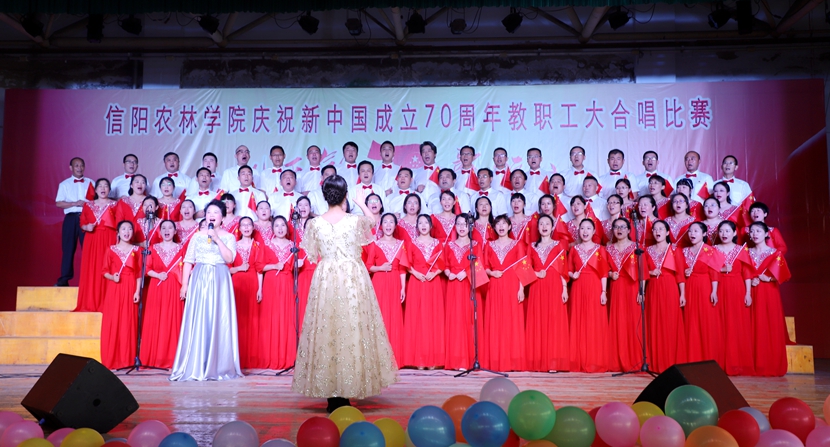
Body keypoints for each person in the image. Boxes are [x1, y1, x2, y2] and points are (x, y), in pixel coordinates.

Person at [291, 175, 398, 412]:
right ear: (345, 195)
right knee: (350, 329)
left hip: (326, 278)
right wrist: (360, 202)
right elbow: (373, 222)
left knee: (327, 330)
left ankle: (332, 394)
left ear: (324, 196)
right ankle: (347, 390)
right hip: (351, 277)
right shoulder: (354, 221)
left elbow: (312, 254)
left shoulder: (315, 224)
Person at [171, 200, 243, 381]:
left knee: (220, 319)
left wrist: (217, 239)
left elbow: (229, 259)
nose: (211, 215)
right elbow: (188, 260)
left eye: (215, 212)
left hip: (220, 279)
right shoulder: (196, 236)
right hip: (200, 278)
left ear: (222, 217)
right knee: (200, 318)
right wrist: (185, 284)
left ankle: (219, 365)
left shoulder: (229, 237)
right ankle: (197, 363)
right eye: (209, 211)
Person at [483, 215, 527, 371]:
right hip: (495, 285)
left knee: (511, 321)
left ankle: (513, 361)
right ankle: (496, 359)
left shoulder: (518, 244)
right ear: (494, 228)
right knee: (495, 320)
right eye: (498, 224)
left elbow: (523, 267)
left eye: (504, 224)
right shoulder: (489, 245)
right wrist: (492, 273)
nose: (501, 226)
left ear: (509, 227)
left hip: (512, 285)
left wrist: (521, 289)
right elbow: (484, 266)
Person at [525, 215, 569, 372]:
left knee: (553, 321)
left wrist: (564, 288)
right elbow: (525, 268)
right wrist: (536, 274)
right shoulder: (531, 246)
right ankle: (538, 360)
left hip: (554, 285)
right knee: (538, 320)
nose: (544, 226)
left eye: (547, 224)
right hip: (537, 286)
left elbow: (563, 269)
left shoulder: (559, 246)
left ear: (552, 227)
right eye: (541, 224)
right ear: (537, 228)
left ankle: (553, 361)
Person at [747, 222, 790, 376]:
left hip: (769, 292)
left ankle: (771, 363)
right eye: (752, 231)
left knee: (769, 323)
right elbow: (742, 271)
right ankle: (753, 363)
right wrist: (750, 279)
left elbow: (783, 275)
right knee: (751, 325)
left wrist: (769, 278)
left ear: (766, 234)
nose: (754, 234)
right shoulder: (746, 252)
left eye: (758, 231)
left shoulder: (775, 253)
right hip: (751, 291)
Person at [403, 214, 446, 369]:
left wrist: (434, 273)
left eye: (426, 222)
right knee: (418, 319)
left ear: (430, 226)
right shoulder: (411, 243)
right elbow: (406, 264)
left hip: (433, 283)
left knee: (432, 319)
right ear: (417, 226)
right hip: (417, 282)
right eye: (420, 223)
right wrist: (416, 273)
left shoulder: (438, 243)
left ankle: (433, 359)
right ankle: (419, 360)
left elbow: (443, 264)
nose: (423, 225)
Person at [442, 214, 484, 371]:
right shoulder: (449, 245)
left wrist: (466, 273)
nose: (461, 227)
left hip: (468, 285)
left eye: (464, 224)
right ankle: (456, 360)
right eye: (458, 224)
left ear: (470, 227)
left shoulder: (476, 245)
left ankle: (469, 359)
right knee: (455, 321)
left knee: (469, 320)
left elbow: (480, 266)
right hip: (453, 286)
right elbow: (444, 264)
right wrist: (448, 273)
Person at [680, 222, 725, 369]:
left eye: (696, 231)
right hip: (689, 287)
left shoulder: (710, 251)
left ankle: (708, 359)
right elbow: (679, 272)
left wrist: (714, 291)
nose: (692, 234)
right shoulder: (683, 251)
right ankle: (692, 358)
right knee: (690, 321)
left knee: (706, 322)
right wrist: (684, 272)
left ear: (704, 234)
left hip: (705, 287)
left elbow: (714, 273)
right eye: (690, 231)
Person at [568, 218, 610, 373]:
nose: (585, 231)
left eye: (588, 228)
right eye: (582, 228)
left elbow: (604, 273)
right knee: (578, 320)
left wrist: (603, 292)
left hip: (595, 286)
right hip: (578, 287)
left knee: (594, 321)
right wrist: (572, 275)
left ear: (594, 232)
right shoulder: (574, 249)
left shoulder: (600, 249)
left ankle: (594, 360)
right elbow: (568, 270)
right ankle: (577, 360)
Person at [644, 220, 687, 372]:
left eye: (661, 229)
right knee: (653, 322)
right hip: (653, 288)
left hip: (670, 287)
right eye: (655, 229)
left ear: (668, 232)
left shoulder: (674, 250)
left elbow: (680, 274)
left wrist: (682, 294)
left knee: (670, 323)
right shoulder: (646, 250)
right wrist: (650, 272)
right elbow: (642, 271)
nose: (658, 231)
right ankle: (655, 362)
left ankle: (670, 362)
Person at [141, 220, 184, 369]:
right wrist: (158, 275)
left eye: (170, 228)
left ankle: (172, 359)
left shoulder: (182, 248)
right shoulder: (152, 248)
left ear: (175, 231)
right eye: (164, 228)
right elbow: (147, 269)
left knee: (173, 320)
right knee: (156, 320)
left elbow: (186, 268)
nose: (167, 230)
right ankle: (155, 358)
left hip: (175, 287)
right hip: (157, 288)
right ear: (159, 232)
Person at [100, 220, 141, 369]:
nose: (126, 232)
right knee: (113, 321)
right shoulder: (110, 249)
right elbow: (104, 271)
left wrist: (137, 292)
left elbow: (139, 274)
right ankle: (111, 359)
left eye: (129, 229)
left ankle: (126, 360)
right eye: (123, 229)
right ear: (118, 233)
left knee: (128, 322)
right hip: (115, 288)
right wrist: (113, 277)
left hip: (130, 287)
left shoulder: (137, 250)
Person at [367, 213, 407, 366]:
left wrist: (403, 288)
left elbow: (402, 268)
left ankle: (394, 357)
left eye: (391, 222)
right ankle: (379, 358)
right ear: (381, 226)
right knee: (380, 317)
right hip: (379, 282)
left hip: (395, 282)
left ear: (395, 225)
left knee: (395, 316)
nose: (388, 225)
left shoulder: (401, 244)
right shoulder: (375, 244)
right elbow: (368, 266)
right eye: (385, 222)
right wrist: (380, 268)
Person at [715, 221, 754, 376]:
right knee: (719, 324)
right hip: (719, 287)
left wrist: (748, 293)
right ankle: (720, 362)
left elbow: (747, 273)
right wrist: (722, 269)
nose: (724, 234)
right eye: (721, 231)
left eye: (727, 231)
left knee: (736, 323)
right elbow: (710, 271)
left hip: (737, 288)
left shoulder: (741, 250)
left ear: (734, 233)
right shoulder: (713, 250)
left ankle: (737, 363)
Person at [258, 216, 298, 370]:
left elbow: (295, 268)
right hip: (271, 284)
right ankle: (271, 357)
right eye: (277, 226)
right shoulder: (266, 245)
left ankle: (286, 357)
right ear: (272, 229)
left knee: (286, 318)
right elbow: (260, 266)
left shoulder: (293, 246)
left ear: (287, 229)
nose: (280, 228)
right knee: (271, 318)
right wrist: (274, 266)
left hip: (287, 283)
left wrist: (298, 263)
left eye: (283, 225)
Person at [76, 178, 117, 311]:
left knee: (108, 267)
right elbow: (82, 223)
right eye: (100, 186)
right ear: (96, 190)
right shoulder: (88, 205)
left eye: (106, 186)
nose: (103, 188)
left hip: (109, 238)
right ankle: (90, 301)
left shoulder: (116, 204)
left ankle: (108, 302)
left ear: (109, 189)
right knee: (92, 268)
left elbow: (120, 223)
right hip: (92, 239)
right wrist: (86, 227)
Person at [606, 218, 640, 372]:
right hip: (615, 287)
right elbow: (603, 269)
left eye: (623, 227)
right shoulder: (608, 248)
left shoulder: (636, 248)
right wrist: (610, 274)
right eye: (616, 227)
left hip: (632, 287)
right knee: (617, 321)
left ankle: (633, 360)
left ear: (629, 230)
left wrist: (641, 290)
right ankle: (615, 361)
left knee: (631, 322)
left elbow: (642, 270)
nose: (619, 230)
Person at [230, 217, 264, 370]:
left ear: (253, 227)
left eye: (249, 225)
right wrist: (239, 268)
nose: (246, 227)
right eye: (243, 225)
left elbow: (259, 270)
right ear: (239, 228)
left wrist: (260, 289)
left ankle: (252, 357)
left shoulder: (258, 246)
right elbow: (228, 269)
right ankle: (236, 357)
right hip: (237, 284)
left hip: (253, 283)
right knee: (238, 319)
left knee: (253, 320)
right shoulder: (233, 246)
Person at [55, 157, 93, 287]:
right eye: (76, 165)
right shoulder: (64, 184)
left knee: (88, 249)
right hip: (71, 218)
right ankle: (64, 279)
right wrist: (74, 203)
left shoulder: (91, 183)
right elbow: (59, 203)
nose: (79, 168)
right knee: (68, 248)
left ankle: (90, 278)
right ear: (71, 168)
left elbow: (96, 200)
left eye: (81, 165)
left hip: (87, 218)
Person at [295, 196, 318, 331]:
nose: (303, 208)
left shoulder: (316, 229)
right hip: (302, 274)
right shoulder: (292, 227)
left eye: (306, 205)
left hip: (316, 275)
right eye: (300, 205)